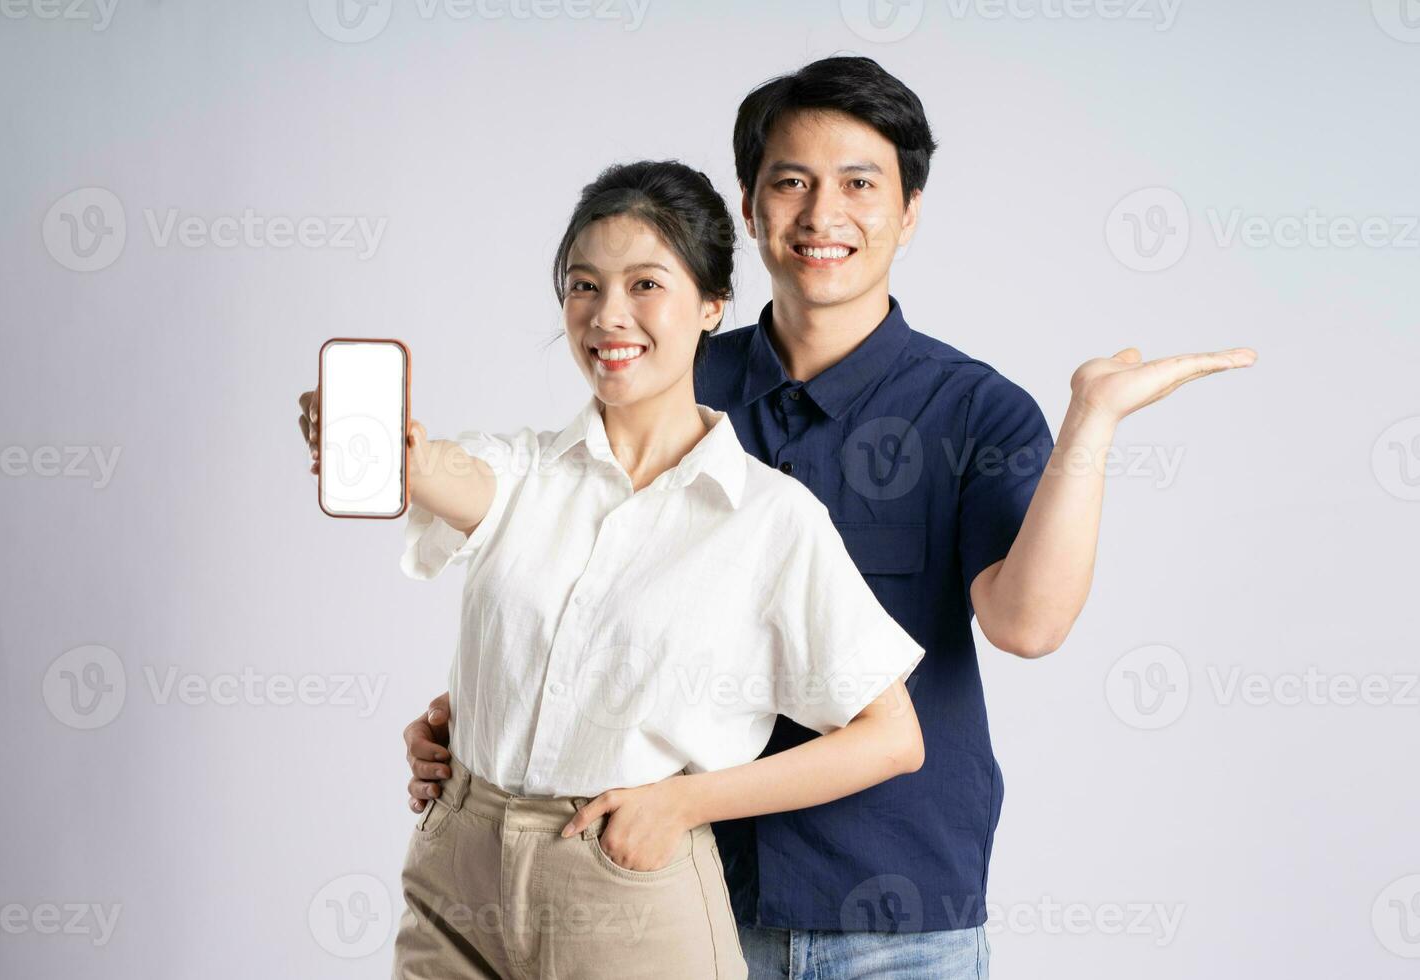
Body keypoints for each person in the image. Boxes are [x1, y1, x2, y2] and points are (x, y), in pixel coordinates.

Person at [403, 57, 1257, 979]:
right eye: (792, 183)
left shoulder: (973, 409)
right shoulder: (667, 371)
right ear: (748, 203)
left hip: (892, 905)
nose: (822, 216)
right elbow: (576, 566)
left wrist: (1091, 422)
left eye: (859, 184)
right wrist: (486, 731)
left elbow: (1028, 623)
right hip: (669, 890)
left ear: (910, 209)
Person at [300, 159, 929, 980]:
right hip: (459, 872)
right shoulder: (522, 469)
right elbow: (447, 476)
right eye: (583, 286)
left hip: (625, 884)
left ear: (711, 305)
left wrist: (685, 802)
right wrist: (385, 452)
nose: (608, 316)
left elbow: (891, 738)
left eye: (645, 285)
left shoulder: (768, 519)